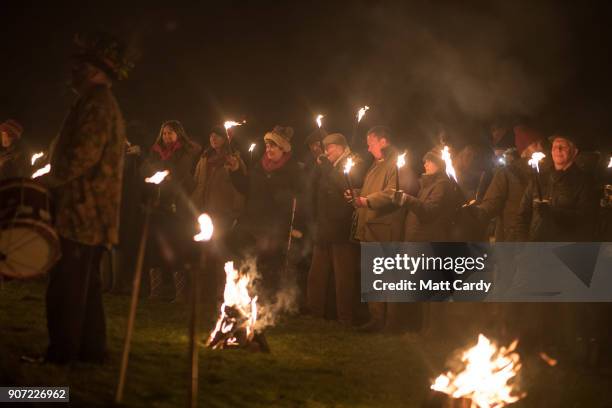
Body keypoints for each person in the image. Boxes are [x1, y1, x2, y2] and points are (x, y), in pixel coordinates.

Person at [41, 32, 130, 364]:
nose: (73, 72)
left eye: (80, 66)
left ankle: (62, 353)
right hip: (88, 211)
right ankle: (92, 351)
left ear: (94, 71)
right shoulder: (94, 102)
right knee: (85, 285)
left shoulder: (98, 105)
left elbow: (83, 155)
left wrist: (51, 179)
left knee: (67, 286)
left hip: (83, 212)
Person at [348, 126, 419, 332]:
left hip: (385, 229)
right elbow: (373, 192)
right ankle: (377, 319)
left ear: (383, 141)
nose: (368, 148)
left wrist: (366, 200)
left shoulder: (396, 165)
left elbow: (393, 193)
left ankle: (392, 323)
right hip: (371, 227)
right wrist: (358, 194)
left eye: (371, 143)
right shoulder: (376, 165)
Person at [226, 125, 303, 304]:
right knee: (249, 262)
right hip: (253, 223)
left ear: (283, 149)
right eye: (267, 146)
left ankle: (270, 303)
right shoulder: (259, 166)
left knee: (270, 266)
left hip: (275, 227)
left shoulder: (292, 170)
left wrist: (294, 225)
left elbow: (298, 199)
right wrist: (236, 170)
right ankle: (250, 299)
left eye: (273, 146)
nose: (268, 149)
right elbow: (246, 187)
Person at [307, 133, 366, 324]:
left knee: (343, 277)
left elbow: (345, 186)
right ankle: (315, 313)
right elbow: (315, 190)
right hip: (324, 227)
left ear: (340, 147)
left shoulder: (354, 162)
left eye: (329, 147)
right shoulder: (326, 165)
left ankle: (345, 317)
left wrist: (326, 167)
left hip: (342, 228)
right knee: (317, 273)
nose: (326, 152)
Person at [141, 120, 201, 300]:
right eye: (165, 133)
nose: (167, 136)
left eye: (171, 133)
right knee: (154, 248)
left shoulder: (185, 151)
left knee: (177, 247)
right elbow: (145, 170)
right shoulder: (155, 151)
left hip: (176, 207)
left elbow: (178, 172)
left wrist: (162, 171)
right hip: (157, 207)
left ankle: (181, 293)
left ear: (178, 134)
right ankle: (156, 291)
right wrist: (159, 171)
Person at [191, 126, 245, 300]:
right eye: (211, 135)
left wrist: (235, 212)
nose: (213, 138)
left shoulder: (234, 160)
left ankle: (222, 293)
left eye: (217, 136)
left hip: (223, 213)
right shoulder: (205, 158)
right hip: (205, 213)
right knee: (205, 254)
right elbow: (198, 184)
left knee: (221, 254)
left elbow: (239, 189)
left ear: (225, 138)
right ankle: (205, 293)